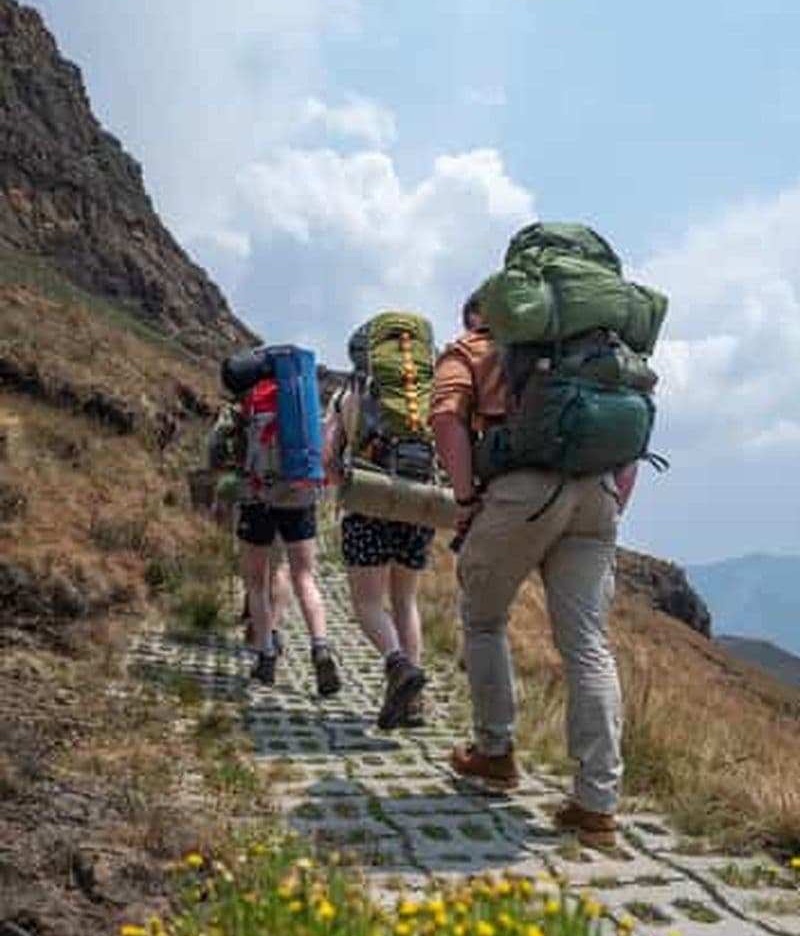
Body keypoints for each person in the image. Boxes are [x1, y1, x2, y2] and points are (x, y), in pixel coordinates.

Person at [430, 292, 625, 847]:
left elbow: (446, 418)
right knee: (588, 643)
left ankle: (495, 753)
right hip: (598, 493)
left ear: (479, 314)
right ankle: (596, 803)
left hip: (520, 493)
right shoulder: (591, 350)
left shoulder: (470, 348)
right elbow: (627, 433)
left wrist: (465, 499)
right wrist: (611, 500)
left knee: (484, 618)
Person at [209, 388, 341, 696]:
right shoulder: (301, 400)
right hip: (299, 497)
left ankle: (266, 654)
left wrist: (222, 489)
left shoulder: (246, 403)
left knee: (256, 582)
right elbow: (323, 451)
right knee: (304, 577)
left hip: (256, 496)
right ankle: (320, 647)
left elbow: (216, 445)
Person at [323, 380, 431, 729]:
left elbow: (327, 457)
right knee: (405, 600)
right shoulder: (423, 392)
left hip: (368, 503)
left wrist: (345, 485)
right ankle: (412, 705)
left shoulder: (348, 394)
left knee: (367, 603)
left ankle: (398, 663)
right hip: (419, 503)